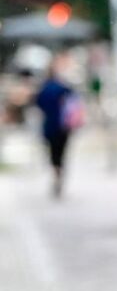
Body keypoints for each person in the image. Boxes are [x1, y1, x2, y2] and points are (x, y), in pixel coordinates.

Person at [35, 62, 77, 197]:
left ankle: (56, 173)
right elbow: (74, 102)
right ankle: (59, 174)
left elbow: (38, 105)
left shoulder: (44, 89)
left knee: (53, 153)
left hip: (50, 126)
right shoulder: (63, 88)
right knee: (61, 153)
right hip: (64, 126)